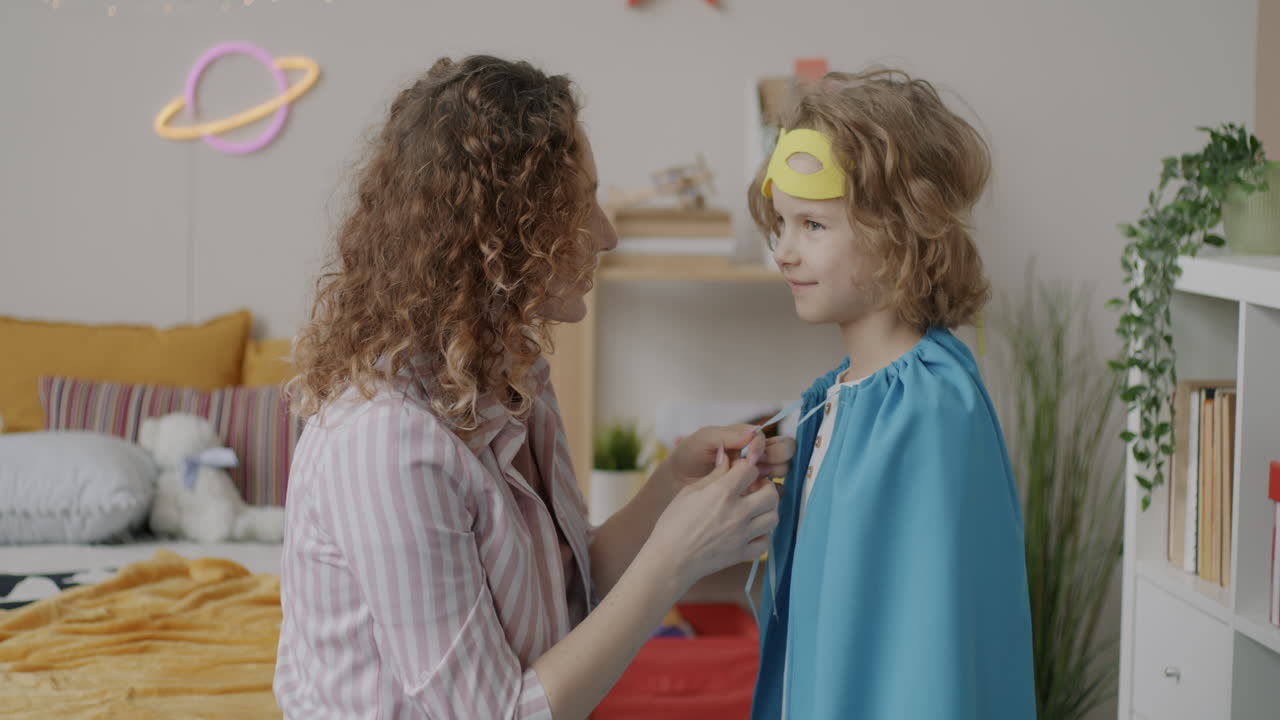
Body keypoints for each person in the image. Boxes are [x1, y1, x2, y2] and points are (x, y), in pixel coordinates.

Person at [273, 55, 792, 720]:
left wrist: (670, 489)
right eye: (578, 209)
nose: (605, 236)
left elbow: (565, 586)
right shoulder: (386, 442)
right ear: (494, 237)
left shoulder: (513, 375)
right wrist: (674, 560)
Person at [745, 67, 1036, 719]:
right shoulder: (841, 399)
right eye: (782, 225)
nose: (785, 253)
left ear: (896, 231)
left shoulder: (928, 406)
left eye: (813, 227)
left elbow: (931, 652)